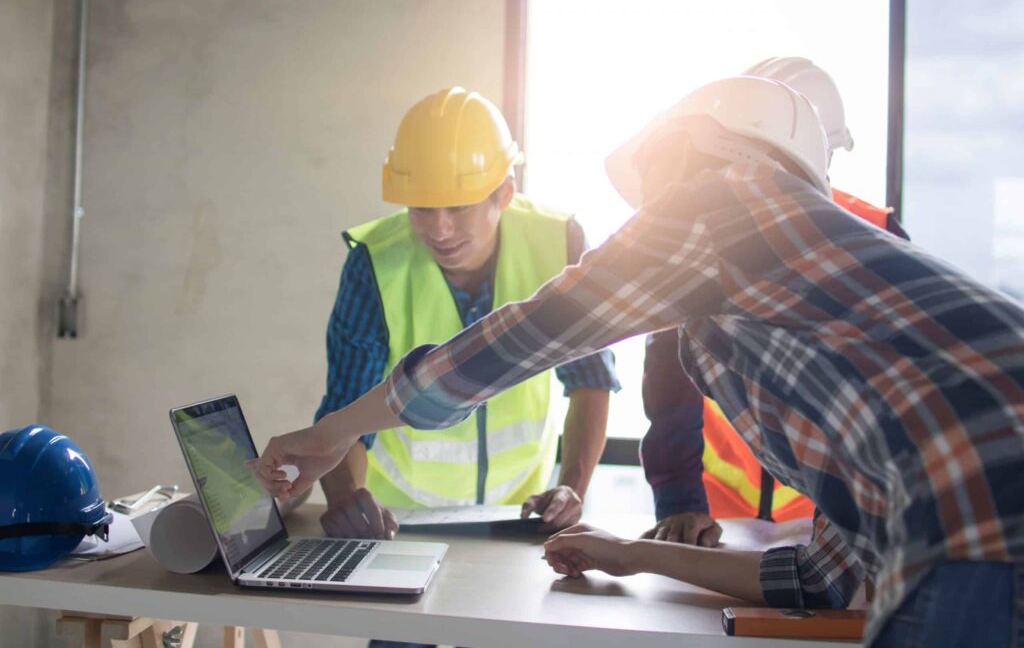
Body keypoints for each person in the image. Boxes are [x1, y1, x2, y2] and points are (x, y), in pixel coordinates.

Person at [252, 76, 1024, 647]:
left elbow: (530, 335)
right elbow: (825, 572)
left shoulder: (723, 199)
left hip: (983, 509)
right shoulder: (795, 314)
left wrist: (333, 434)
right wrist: (631, 553)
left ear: (687, 153)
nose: (642, 221)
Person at [313, 87, 619, 546]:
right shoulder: (374, 262)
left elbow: (590, 376)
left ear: (505, 194)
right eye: (422, 208)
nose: (439, 229)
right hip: (398, 521)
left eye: (459, 207)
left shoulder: (559, 244)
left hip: (521, 515)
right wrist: (346, 498)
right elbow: (346, 405)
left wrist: (571, 487)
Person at [637, 58, 910, 548]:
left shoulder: (878, 236)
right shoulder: (711, 229)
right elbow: (669, 370)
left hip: (837, 519)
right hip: (719, 519)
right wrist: (678, 498)